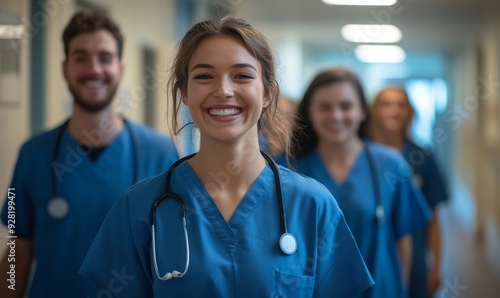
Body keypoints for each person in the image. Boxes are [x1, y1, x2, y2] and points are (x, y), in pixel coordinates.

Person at [80, 17, 374, 297]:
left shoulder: (312, 205)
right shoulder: (140, 207)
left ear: (268, 92)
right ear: (184, 92)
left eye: (242, 75)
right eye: (204, 76)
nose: (223, 90)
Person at [0, 11, 178, 298]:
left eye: (104, 57)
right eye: (81, 57)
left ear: (120, 69)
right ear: (65, 68)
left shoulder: (160, 153)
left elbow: (175, 252)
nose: (93, 68)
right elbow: (16, 249)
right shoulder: (32, 154)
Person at [281, 68, 432, 298]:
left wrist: (400, 290)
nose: (336, 116)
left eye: (346, 106)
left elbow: (403, 237)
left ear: (362, 111)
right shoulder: (287, 168)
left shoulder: (390, 165)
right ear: (309, 112)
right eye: (324, 107)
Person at [369, 86, 449, 298]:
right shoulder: (358, 155)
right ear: (373, 111)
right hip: (368, 252)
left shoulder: (422, 157)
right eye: (386, 104)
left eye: (401, 105)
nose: (394, 110)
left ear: (410, 112)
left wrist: (436, 267)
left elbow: (432, 218)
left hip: (414, 256)